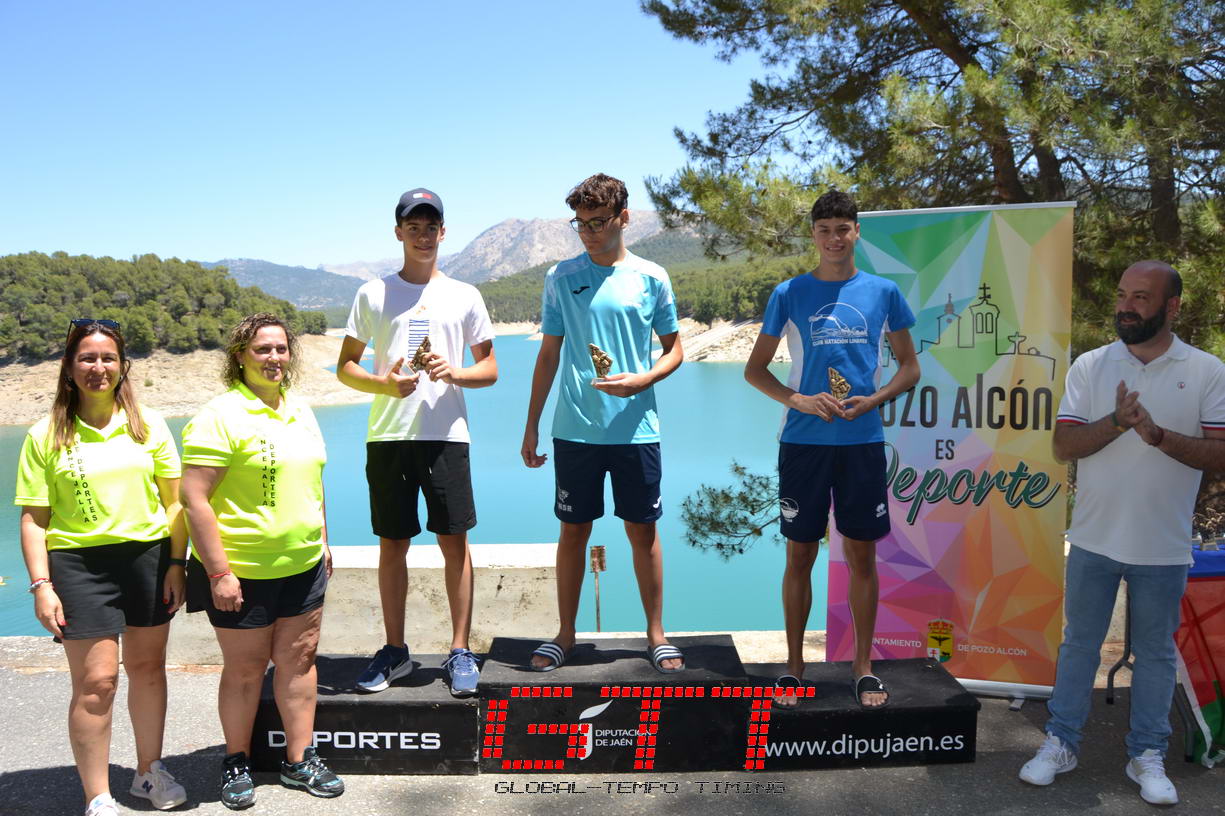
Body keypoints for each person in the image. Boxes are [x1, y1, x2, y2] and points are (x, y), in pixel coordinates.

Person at [1019, 260, 1225, 805]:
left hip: (1164, 545)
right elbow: (1063, 446)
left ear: (1171, 307)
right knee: (1079, 646)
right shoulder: (1091, 365)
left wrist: (1157, 435)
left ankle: (1147, 754)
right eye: (1121, 294)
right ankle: (1061, 743)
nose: (1125, 306)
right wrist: (1116, 422)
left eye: (1140, 297)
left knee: (1155, 654)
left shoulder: (1207, 370)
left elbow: (1220, 453)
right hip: (1094, 540)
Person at [744, 190, 919, 709]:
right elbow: (755, 371)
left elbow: (910, 368)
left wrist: (875, 400)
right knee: (799, 553)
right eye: (824, 230)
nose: (834, 238)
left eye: (843, 228)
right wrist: (798, 399)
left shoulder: (884, 292)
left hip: (862, 442)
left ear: (857, 231)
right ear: (813, 234)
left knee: (862, 555)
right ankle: (795, 667)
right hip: (803, 443)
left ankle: (863, 668)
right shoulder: (789, 293)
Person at [15, 319, 188, 816]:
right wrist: (41, 585)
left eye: (108, 358)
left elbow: (174, 503)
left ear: (122, 365)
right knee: (97, 682)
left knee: (148, 669)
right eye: (87, 358)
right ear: (69, 367)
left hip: (148, 558)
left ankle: (149, 773)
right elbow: (35, 519)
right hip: (79, 564)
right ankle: (98, 795)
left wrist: (178, 563)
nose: (98, 367)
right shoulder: (45, 434)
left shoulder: (148, 425)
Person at [521, 173, 686, 673]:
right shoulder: (560, 276)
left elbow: (675, 350)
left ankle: (656, 634)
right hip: (575, 430)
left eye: (598, 222)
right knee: (573, 531)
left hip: (637, 429)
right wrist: (531, 425)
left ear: (623, 218)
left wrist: (645, 379)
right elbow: (548, 355)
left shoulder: (652, 277)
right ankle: (565, 634)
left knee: (643, 531)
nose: (589, 233)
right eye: (580, 223)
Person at [337, 188, 497, 696]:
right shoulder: (373, 293)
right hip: (389, 435)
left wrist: (456, 373)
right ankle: (395, 651)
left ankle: (460, 650)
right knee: (393, 544)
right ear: (398, 232)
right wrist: (383, 385)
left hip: (446, 437)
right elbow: (345, 367)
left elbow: (490, 369)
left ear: (443, 232)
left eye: (431, 227)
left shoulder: (465, 295)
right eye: (413, 227)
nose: (423, 236)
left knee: (455, 543)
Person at [181, 313, 343, 808]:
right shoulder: (219, 415)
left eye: (281, 348)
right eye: (262, 349)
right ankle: (236, 761)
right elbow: (193, 498)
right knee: (246, 671)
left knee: (299, 663)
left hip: (303, 565)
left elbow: (312, 481)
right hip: (242, 571)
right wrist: (219, 572)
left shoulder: (300, 409)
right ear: (240, 356)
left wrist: (323, 538)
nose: (274, 357)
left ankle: (299, 760)